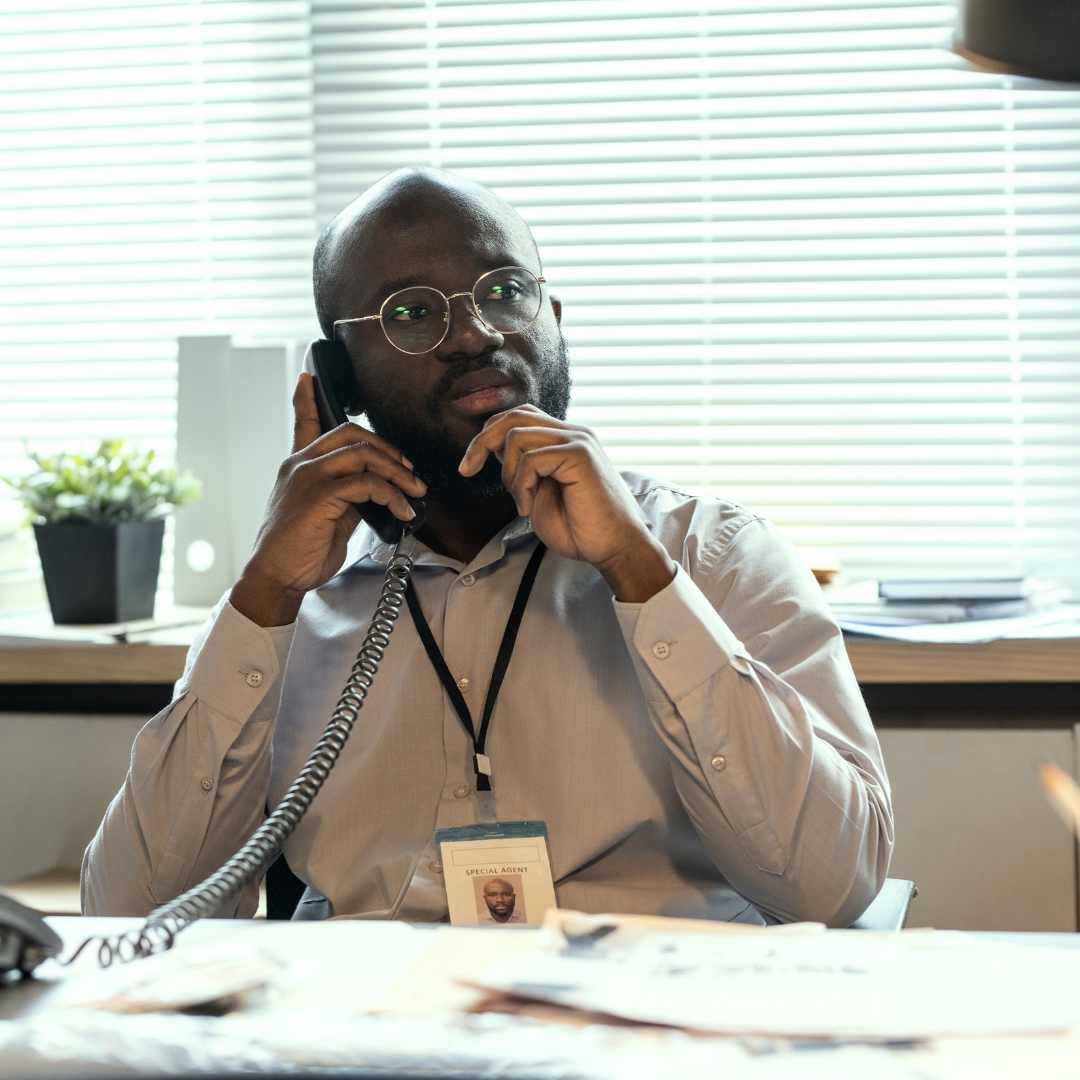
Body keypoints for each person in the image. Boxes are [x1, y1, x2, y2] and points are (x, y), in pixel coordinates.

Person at [82, 167, 893, 927]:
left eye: (504, 292)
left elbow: (833, 885)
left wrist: (641, 578)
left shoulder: (714, 555)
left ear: (555, 318)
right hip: (370, 1041)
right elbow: (132, 915)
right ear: (340, 380)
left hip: (641, 1035)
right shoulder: (295, 603)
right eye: (409, 312)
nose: (472, 334)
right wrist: (264, 598)